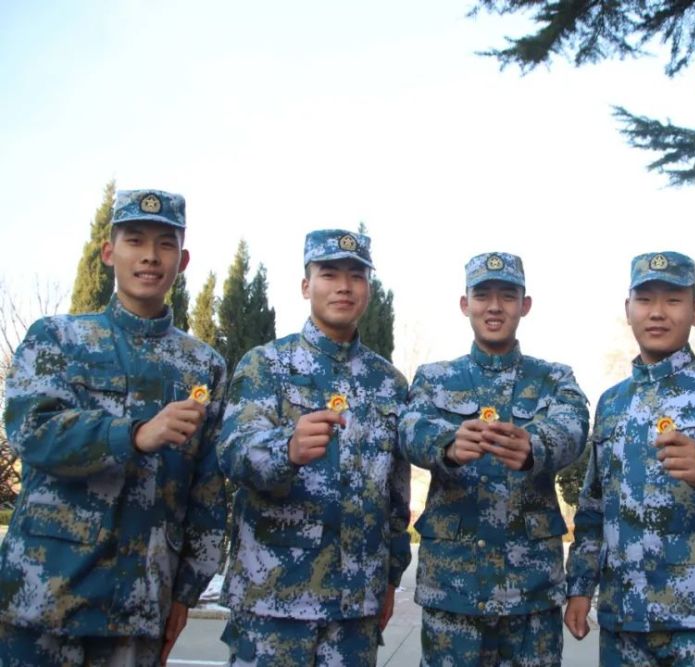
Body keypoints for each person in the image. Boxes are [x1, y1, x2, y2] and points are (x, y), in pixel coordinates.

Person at [0, 189, 227, 666]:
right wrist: (133, 435)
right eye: (135, 240)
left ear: (183, 260)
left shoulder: (203, 365)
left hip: (139, 605)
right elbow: (31, 431)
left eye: (165, 244)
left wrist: (185, 592)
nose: (150, 256)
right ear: (109, 252)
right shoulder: (57, 338)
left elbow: (207, 490)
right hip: (44, 597)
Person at [564, 251, 695, 666]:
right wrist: (580, 586)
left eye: (673, 300)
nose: (657, 312)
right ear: (628, 309)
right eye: (645, 300)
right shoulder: (612, 402)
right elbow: (594, 505)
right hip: (624, 620)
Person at [217, 229, 410, 666]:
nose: (344, 286)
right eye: (329, 274)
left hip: (354, 608)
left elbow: (395, 495)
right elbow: (232, 451)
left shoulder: (389, 383)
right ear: (306, 286)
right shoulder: (266, 365)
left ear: (368, 289)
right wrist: (286, 448)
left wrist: (391, 578)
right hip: (274, 600)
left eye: (356, 276)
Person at [400, 251, 589, 666]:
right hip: (453, 588)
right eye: (483, 295)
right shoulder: (434, 377)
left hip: (530, 590)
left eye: (507, 295)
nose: (494, 306)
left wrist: (535, 446)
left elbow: (574, 426)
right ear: (465, 303)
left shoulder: (554, 377)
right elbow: (409, 427)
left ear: (525, 305)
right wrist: (447, 445)